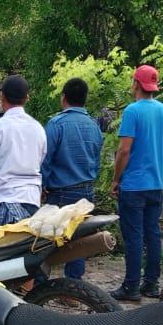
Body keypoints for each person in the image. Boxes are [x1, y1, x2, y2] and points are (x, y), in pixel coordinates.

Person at [110, 65, 163, 301]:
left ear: (136, 83)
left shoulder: (132, 111)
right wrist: (158, 169)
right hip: (155, 185)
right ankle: (151, 284)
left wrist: (116, 179)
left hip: (134, 185)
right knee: (152, 234)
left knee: (134, 237)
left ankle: (131, 287)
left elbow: (124, 150)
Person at [41, 77, 104, 279]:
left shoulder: (56, 124)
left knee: (48, 239)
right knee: (78, 241)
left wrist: (42, 186)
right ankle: (73, 287)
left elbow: (45, 159)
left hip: (61, 191)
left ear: (64, 98)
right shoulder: (94, 125)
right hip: (87, 190)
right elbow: (96, 158)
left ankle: (42, 285)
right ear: (85, 99)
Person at [0, 75, 46, 226]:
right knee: (26, 248)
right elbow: (40, 160)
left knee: (4, 249)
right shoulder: (37, 127)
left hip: (5, 203)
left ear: (2, 95)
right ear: (27, 98)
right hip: (32, 201)